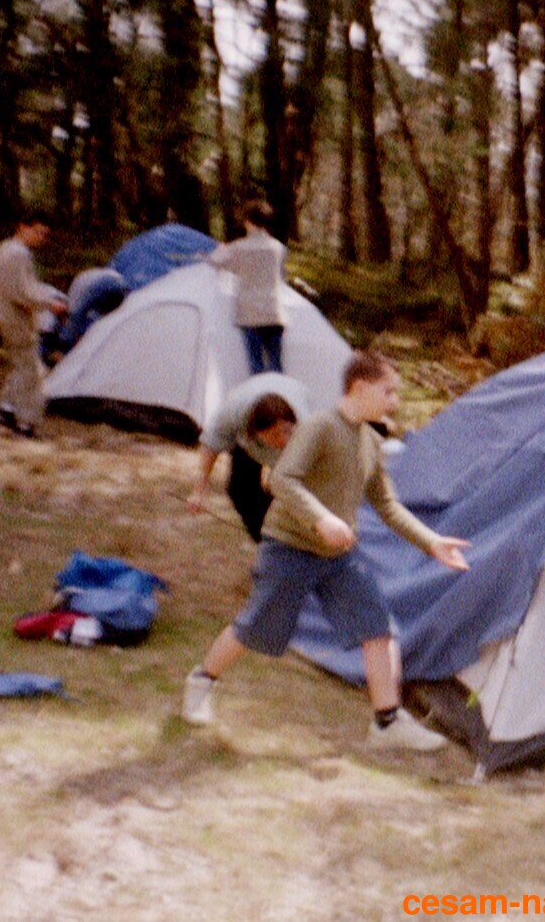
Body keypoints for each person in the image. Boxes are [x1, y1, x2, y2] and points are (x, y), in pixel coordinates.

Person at [182, 350, 471, 751]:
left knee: (378, 629)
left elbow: (387, 505)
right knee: (256, 628)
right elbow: (283, 479)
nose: (394, 402)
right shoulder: (319, 426)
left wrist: (432, 542)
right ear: (360, 387)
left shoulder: (370, 441)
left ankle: (387, 723)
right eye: (388, 391)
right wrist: (321, 518)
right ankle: (201, 682)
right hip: (289, 548)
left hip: (338, 557)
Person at [187, 373, 308, 543]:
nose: (282, 439)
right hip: (247, 431)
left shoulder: (306, 423)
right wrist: (199, 490)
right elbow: (211, 444)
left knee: (288, 493)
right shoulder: (233, 414)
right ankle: (267, 541)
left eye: (286, 431)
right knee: (239, 490)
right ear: (255, 433)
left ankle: (290, 539)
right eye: (275, 435)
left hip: (293, 400)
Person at [0, 217, 67, 438]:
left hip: (2, 313)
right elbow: (24, 292)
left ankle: (6, 411)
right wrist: (51, 304)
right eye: (37, 232)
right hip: (17, 318)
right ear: (22, 227)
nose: (40, 238)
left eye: (44, 235)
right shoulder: (18, 255)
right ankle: (26, 424)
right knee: (31, 371)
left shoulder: (1, 250)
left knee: (20, 365)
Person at [209, 202, 287, 374]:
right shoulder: (279, 248)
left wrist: (220, 248)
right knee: (276, 364)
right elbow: (282, 276)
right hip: (274, 312)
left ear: (248, 222)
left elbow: (215, 261)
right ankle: (279, 390)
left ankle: (259, 392)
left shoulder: (239, 248)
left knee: (256, 365)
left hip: (250, 314)